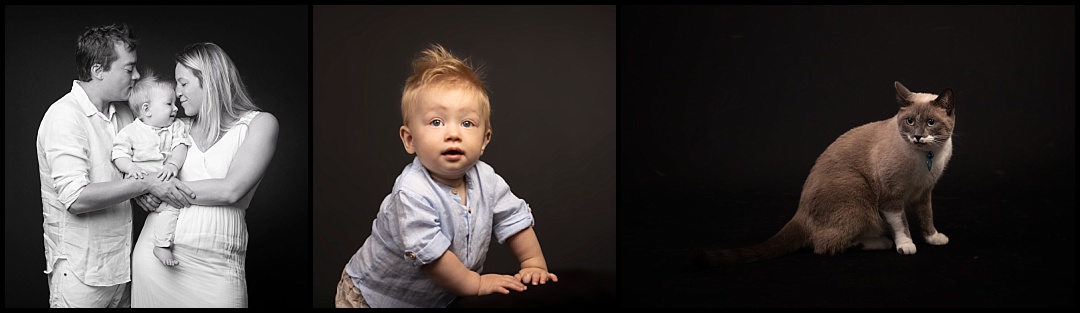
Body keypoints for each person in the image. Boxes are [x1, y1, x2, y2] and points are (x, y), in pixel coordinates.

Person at [335, 44, 558, 308]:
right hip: (373, 297)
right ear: (409, 139)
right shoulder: (412, 191)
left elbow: (514, 219)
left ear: (485, 139)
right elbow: (433, 256)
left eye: (467, 123)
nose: (453, 133)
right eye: (437, 122)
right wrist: (475, 284)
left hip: (436, 297)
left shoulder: (487, 179)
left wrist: (533, 263)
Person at [36, 23, 195, 308]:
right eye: (128, 68)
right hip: (81, 275)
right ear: (98, 70)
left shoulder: (123, 114)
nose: (136, 76)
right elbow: (76, 198)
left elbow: (128, 174)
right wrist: (145, 184)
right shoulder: (65, 117)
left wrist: (141, 192)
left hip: (122, 269)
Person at [130, 42, 278, 308]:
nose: (177, 93)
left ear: (209, 80)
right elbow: (138, 162)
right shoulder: (175, 128)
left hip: (217, 268)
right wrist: (143, 190)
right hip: (155, 260)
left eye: (183, 83)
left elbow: (231, 190)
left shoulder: (259, 124)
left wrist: (161, 188)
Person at [112, 69, 191, 267]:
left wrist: (173, 164)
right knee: (171, 208)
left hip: (164, 181)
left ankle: (161, 243)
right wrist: (130, 168)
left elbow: (180, 146)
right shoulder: (131, 131)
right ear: (147, 109)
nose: (175, 109)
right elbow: (118, 154)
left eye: (174, 103)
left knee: (173, 208)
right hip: (141, 182)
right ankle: (161, 245)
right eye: (168, 104)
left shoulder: (176, 127)